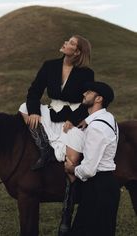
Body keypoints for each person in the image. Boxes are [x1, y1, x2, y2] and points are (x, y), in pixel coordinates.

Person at [19, 35, 94, 171]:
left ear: (77, 52)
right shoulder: (50, 66)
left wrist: (73, 119)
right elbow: (34, 91)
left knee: (67, 156)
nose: (65, 43)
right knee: (24, 108)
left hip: (73, 115)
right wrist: (34, 112)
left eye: (70, 43)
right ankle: (45, 149)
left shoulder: (86, 73)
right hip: (53, 111)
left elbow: (88, 101)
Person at [64, 81, 120, 236]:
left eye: (88, 92)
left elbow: (88, 170)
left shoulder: (95, 128)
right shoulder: (110, 119)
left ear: (98, 99)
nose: (84, 94)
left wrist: (71, 169)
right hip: (108, 186)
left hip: (97, 188)